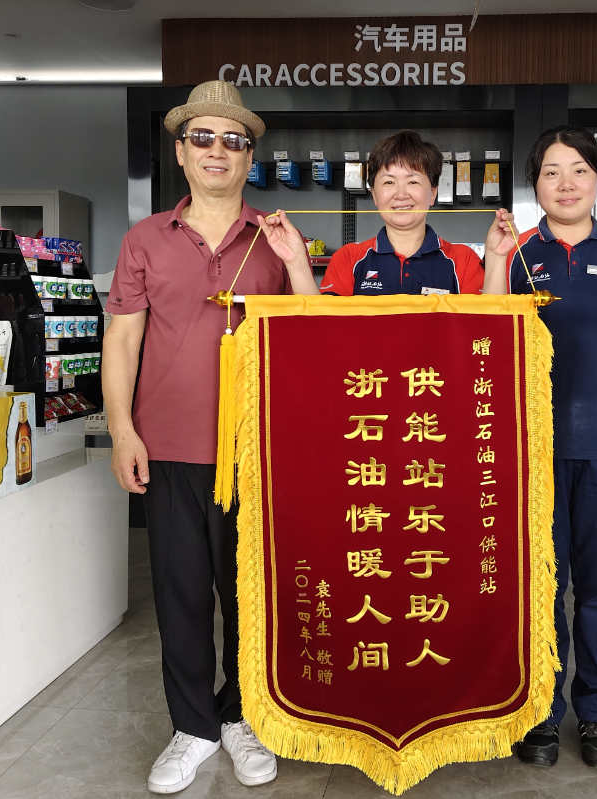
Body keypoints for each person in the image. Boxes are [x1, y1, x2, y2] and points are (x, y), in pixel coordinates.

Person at [102, 80, 314, 795]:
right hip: (168, 448)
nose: (217, 151)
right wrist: (123, 429)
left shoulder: (274, 236)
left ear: (250, 156)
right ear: (180, 151)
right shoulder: (145, 240)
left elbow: (315, 335)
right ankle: (192, 726)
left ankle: (242, 716)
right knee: (181, 594)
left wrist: (294, 262)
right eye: (203, 138)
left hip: (257, 452)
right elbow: (122, 342)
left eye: (233, 140)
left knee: (253, 596)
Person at [482, 125, 597, 770]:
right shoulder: (514, 253)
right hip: (528, 450)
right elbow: (484, 340)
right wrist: (494, 262)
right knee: (539, 584)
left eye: (579, 170)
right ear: (534, 185)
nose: (566, 184)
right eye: (552, 172)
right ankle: (538, 711)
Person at [261, 130, 483, 296]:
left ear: (433, 193)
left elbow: (485, 327)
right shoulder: (348, 258)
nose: (401, 194)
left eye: (413, 181)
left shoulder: (463, 261)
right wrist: (297, 262)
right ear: (375, 195)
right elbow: (323, 325)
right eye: (389, 182)